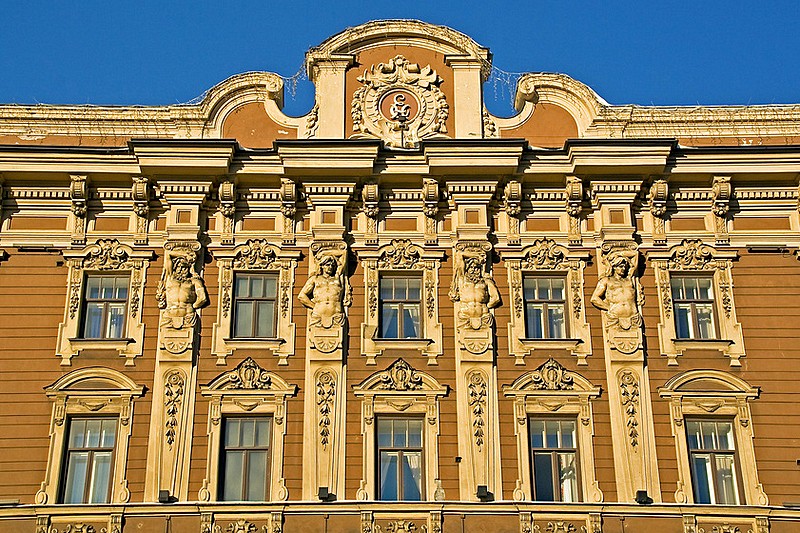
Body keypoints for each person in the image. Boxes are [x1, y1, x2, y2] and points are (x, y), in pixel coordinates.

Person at [590, 252, 641, 332]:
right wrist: (610, 308)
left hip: (634, 317)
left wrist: (619, 253)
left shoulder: (629, 279)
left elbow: (635, 254)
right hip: (614, 318)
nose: (623, 269)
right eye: (621, 266)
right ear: (614, 267)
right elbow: (594, 298)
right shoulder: (607, 280)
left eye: (624, 267)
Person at [158, 249, 208, 330]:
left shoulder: (194, 281)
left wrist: (192, 306)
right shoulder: (170, 278)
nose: (182, 270)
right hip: (168, 317)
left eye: (185, 267)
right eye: (180, 267)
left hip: (188, 316)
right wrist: (185, 255)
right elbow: (168, 254)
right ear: (175, 268)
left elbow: (202, 298)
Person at [299, 251, 349, 329]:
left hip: (336, 316)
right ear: (322, 266)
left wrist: (324, 252)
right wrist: (315, 306)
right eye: (327, 265)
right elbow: (301, 296)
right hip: (318, 316)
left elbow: (343, 254)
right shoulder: (315, 279)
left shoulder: (338, 277)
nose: (330, 267)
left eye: (332, 265)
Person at [451, 253, 501, 330]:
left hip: (484, 316)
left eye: (477, 268)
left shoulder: (486, 282)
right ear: (467, 268)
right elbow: (459, 255)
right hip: (465, 316)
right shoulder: (462, 280)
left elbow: (496, 298)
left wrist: (485, 306)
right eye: (471, 267)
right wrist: (477, 256)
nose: (474, 270)